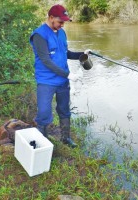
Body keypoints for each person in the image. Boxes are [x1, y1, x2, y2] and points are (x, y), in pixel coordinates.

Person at [29, 4, 91, 148]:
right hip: (46, 81)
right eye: (60, 21)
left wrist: (83, 54)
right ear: (51, 18)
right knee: (44, 113)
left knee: (64, 109)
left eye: (64, 22)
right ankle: (41, 144)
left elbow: (66, 53)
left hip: (63, 81)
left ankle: (65, 138)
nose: (62, 24)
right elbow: (45, 60)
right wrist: (68, 74)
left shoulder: (61, 33)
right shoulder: (39, 35)